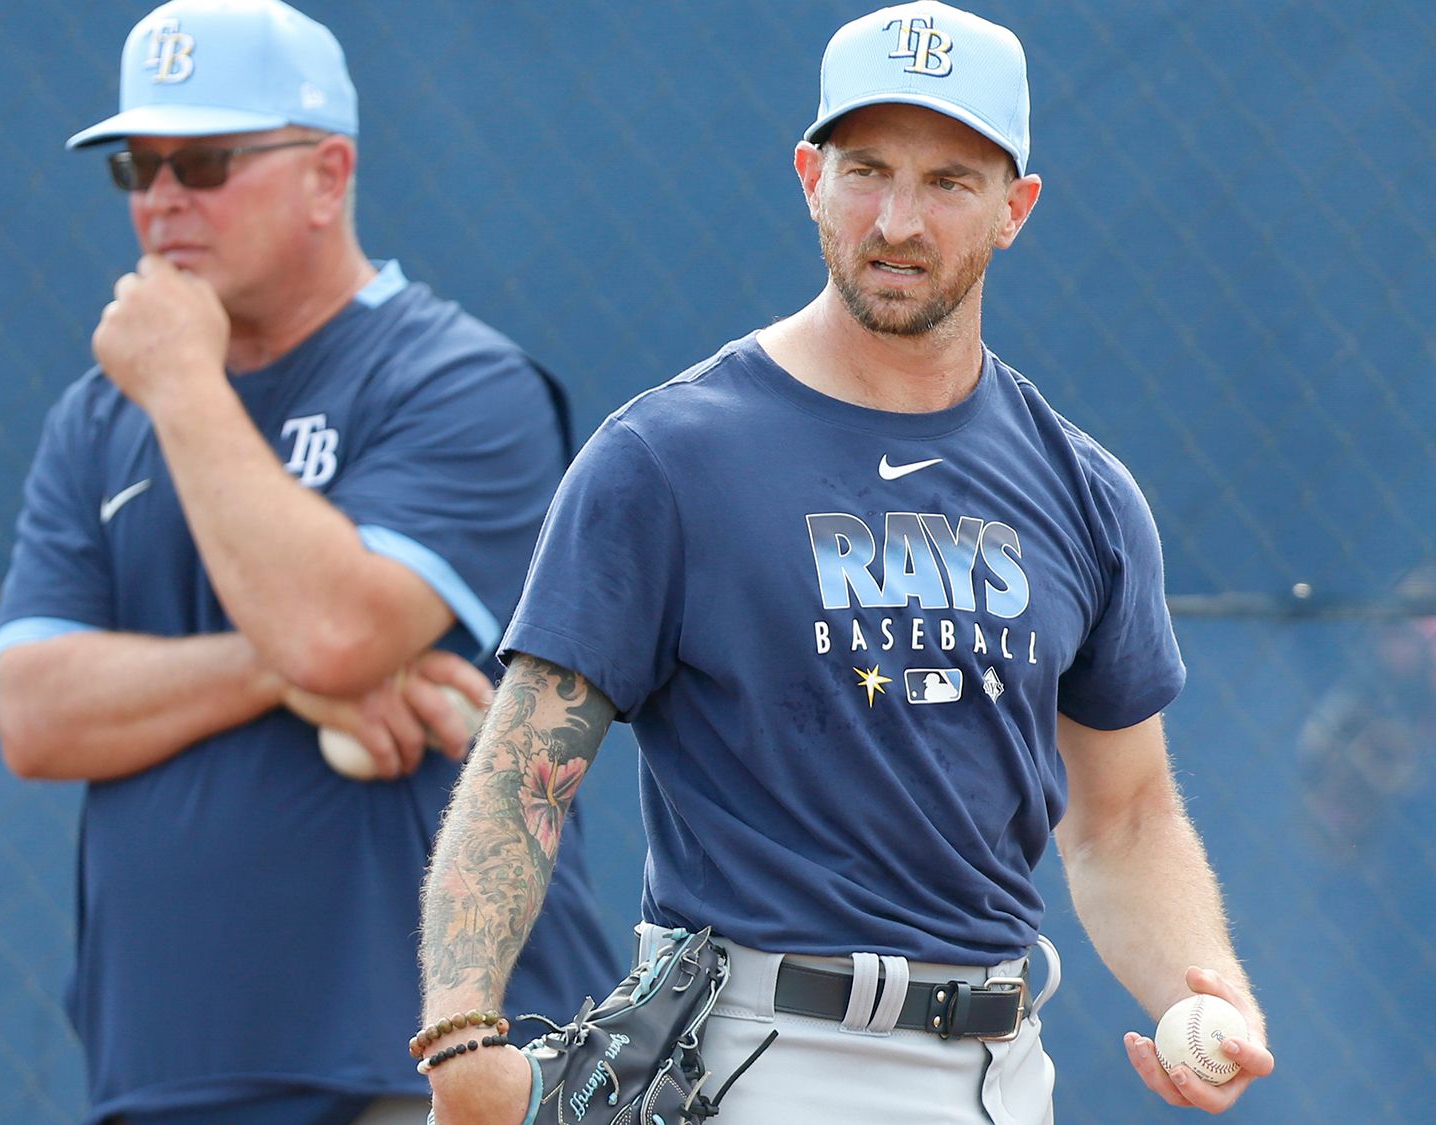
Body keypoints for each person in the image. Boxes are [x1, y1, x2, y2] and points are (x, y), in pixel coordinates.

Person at [415, 3, 1275, 1121]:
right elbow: (523, 763)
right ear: (807, 176)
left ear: (1013, 209)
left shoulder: (1084, 492)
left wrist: (1203, 993)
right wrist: (460, 1031)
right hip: (750, 1058)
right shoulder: (669, 457)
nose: (897, 221)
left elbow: (1122, 821)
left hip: (1000, 1071)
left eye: (949, 181)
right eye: (865, 169)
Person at [0, 2, 616, 1122]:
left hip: (433, 1060)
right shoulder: (97, 419)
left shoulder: (457, 380)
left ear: (328, 175)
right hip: (174, 1061)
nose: (161, 199)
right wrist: (273, 672)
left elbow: (335, 631)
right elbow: (36, 712)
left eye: (205, 159)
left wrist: (185, 382)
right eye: (135, 166)